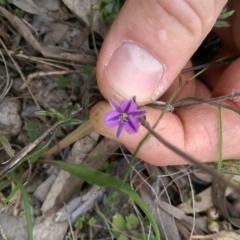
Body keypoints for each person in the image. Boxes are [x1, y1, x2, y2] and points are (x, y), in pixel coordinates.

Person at [90, 0, 240, 166]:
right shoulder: (128, 107)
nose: (124, 116)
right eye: (124, 116)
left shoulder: (130, 110)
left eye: (124, 116)